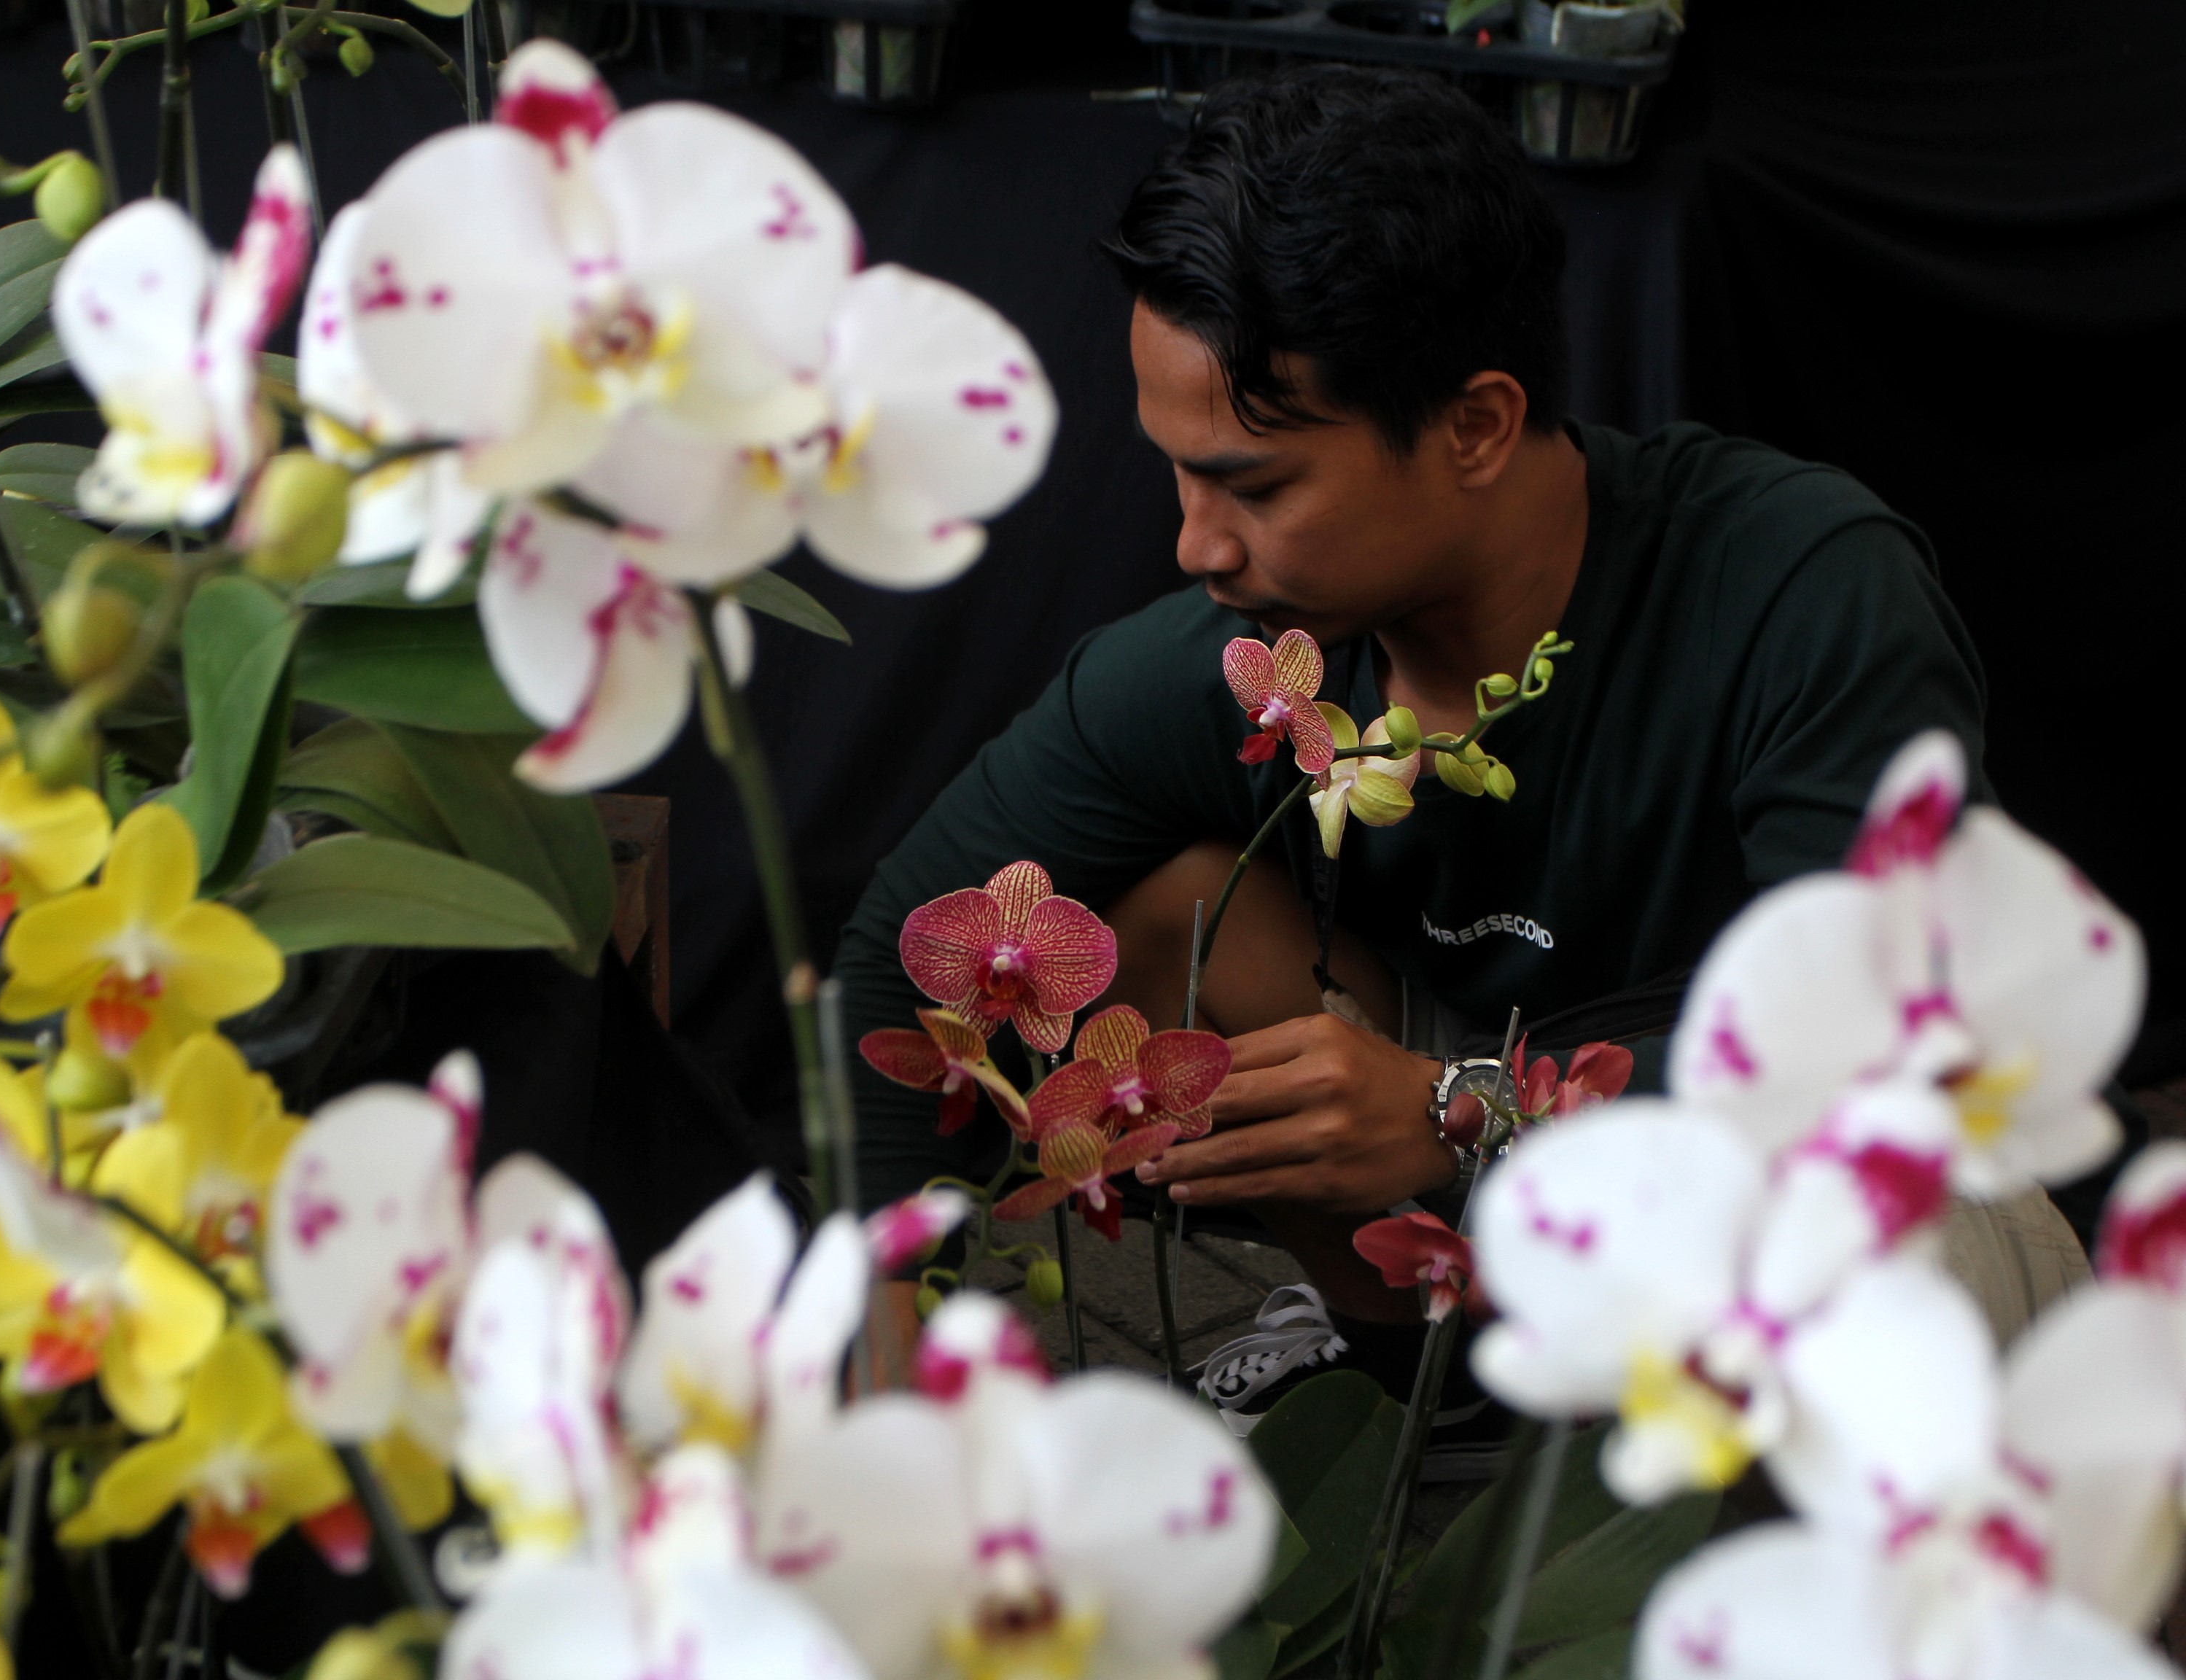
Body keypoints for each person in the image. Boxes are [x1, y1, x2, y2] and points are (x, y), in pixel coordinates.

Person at [835, 63, 1990, 1418]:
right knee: (1158, 919)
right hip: (1449, 1189)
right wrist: (882, 1342)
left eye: (1255, 483)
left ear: (1478, 425)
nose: (1195, 545)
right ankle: (1426, 1396)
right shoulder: (1244, 665)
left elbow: (1880, 1044)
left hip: (1777, 1196)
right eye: (1178, 471)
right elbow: (898, 956)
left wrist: (1466, 1104)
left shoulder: (1802, 589)